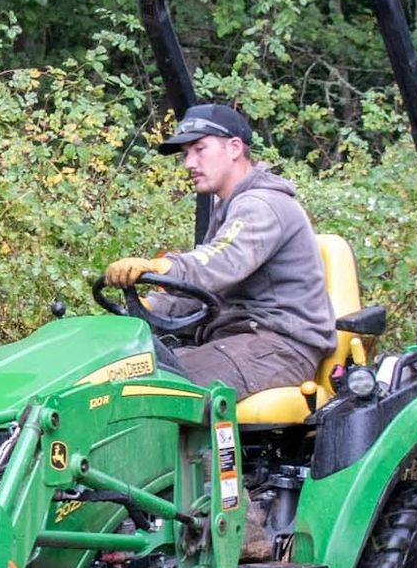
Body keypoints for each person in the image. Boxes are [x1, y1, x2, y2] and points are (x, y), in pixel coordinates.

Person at [104, 104, 333, 401]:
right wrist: (143, 309)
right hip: (238, 342)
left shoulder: (262, 205)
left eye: (199, 149)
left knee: (154, 390)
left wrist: (162, 267)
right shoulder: (227, 207)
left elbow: (221, 263)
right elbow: (200, 294)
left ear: (234, 148)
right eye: (186, 153)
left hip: (278, 347)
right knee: (118, 368)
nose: (189, 162)